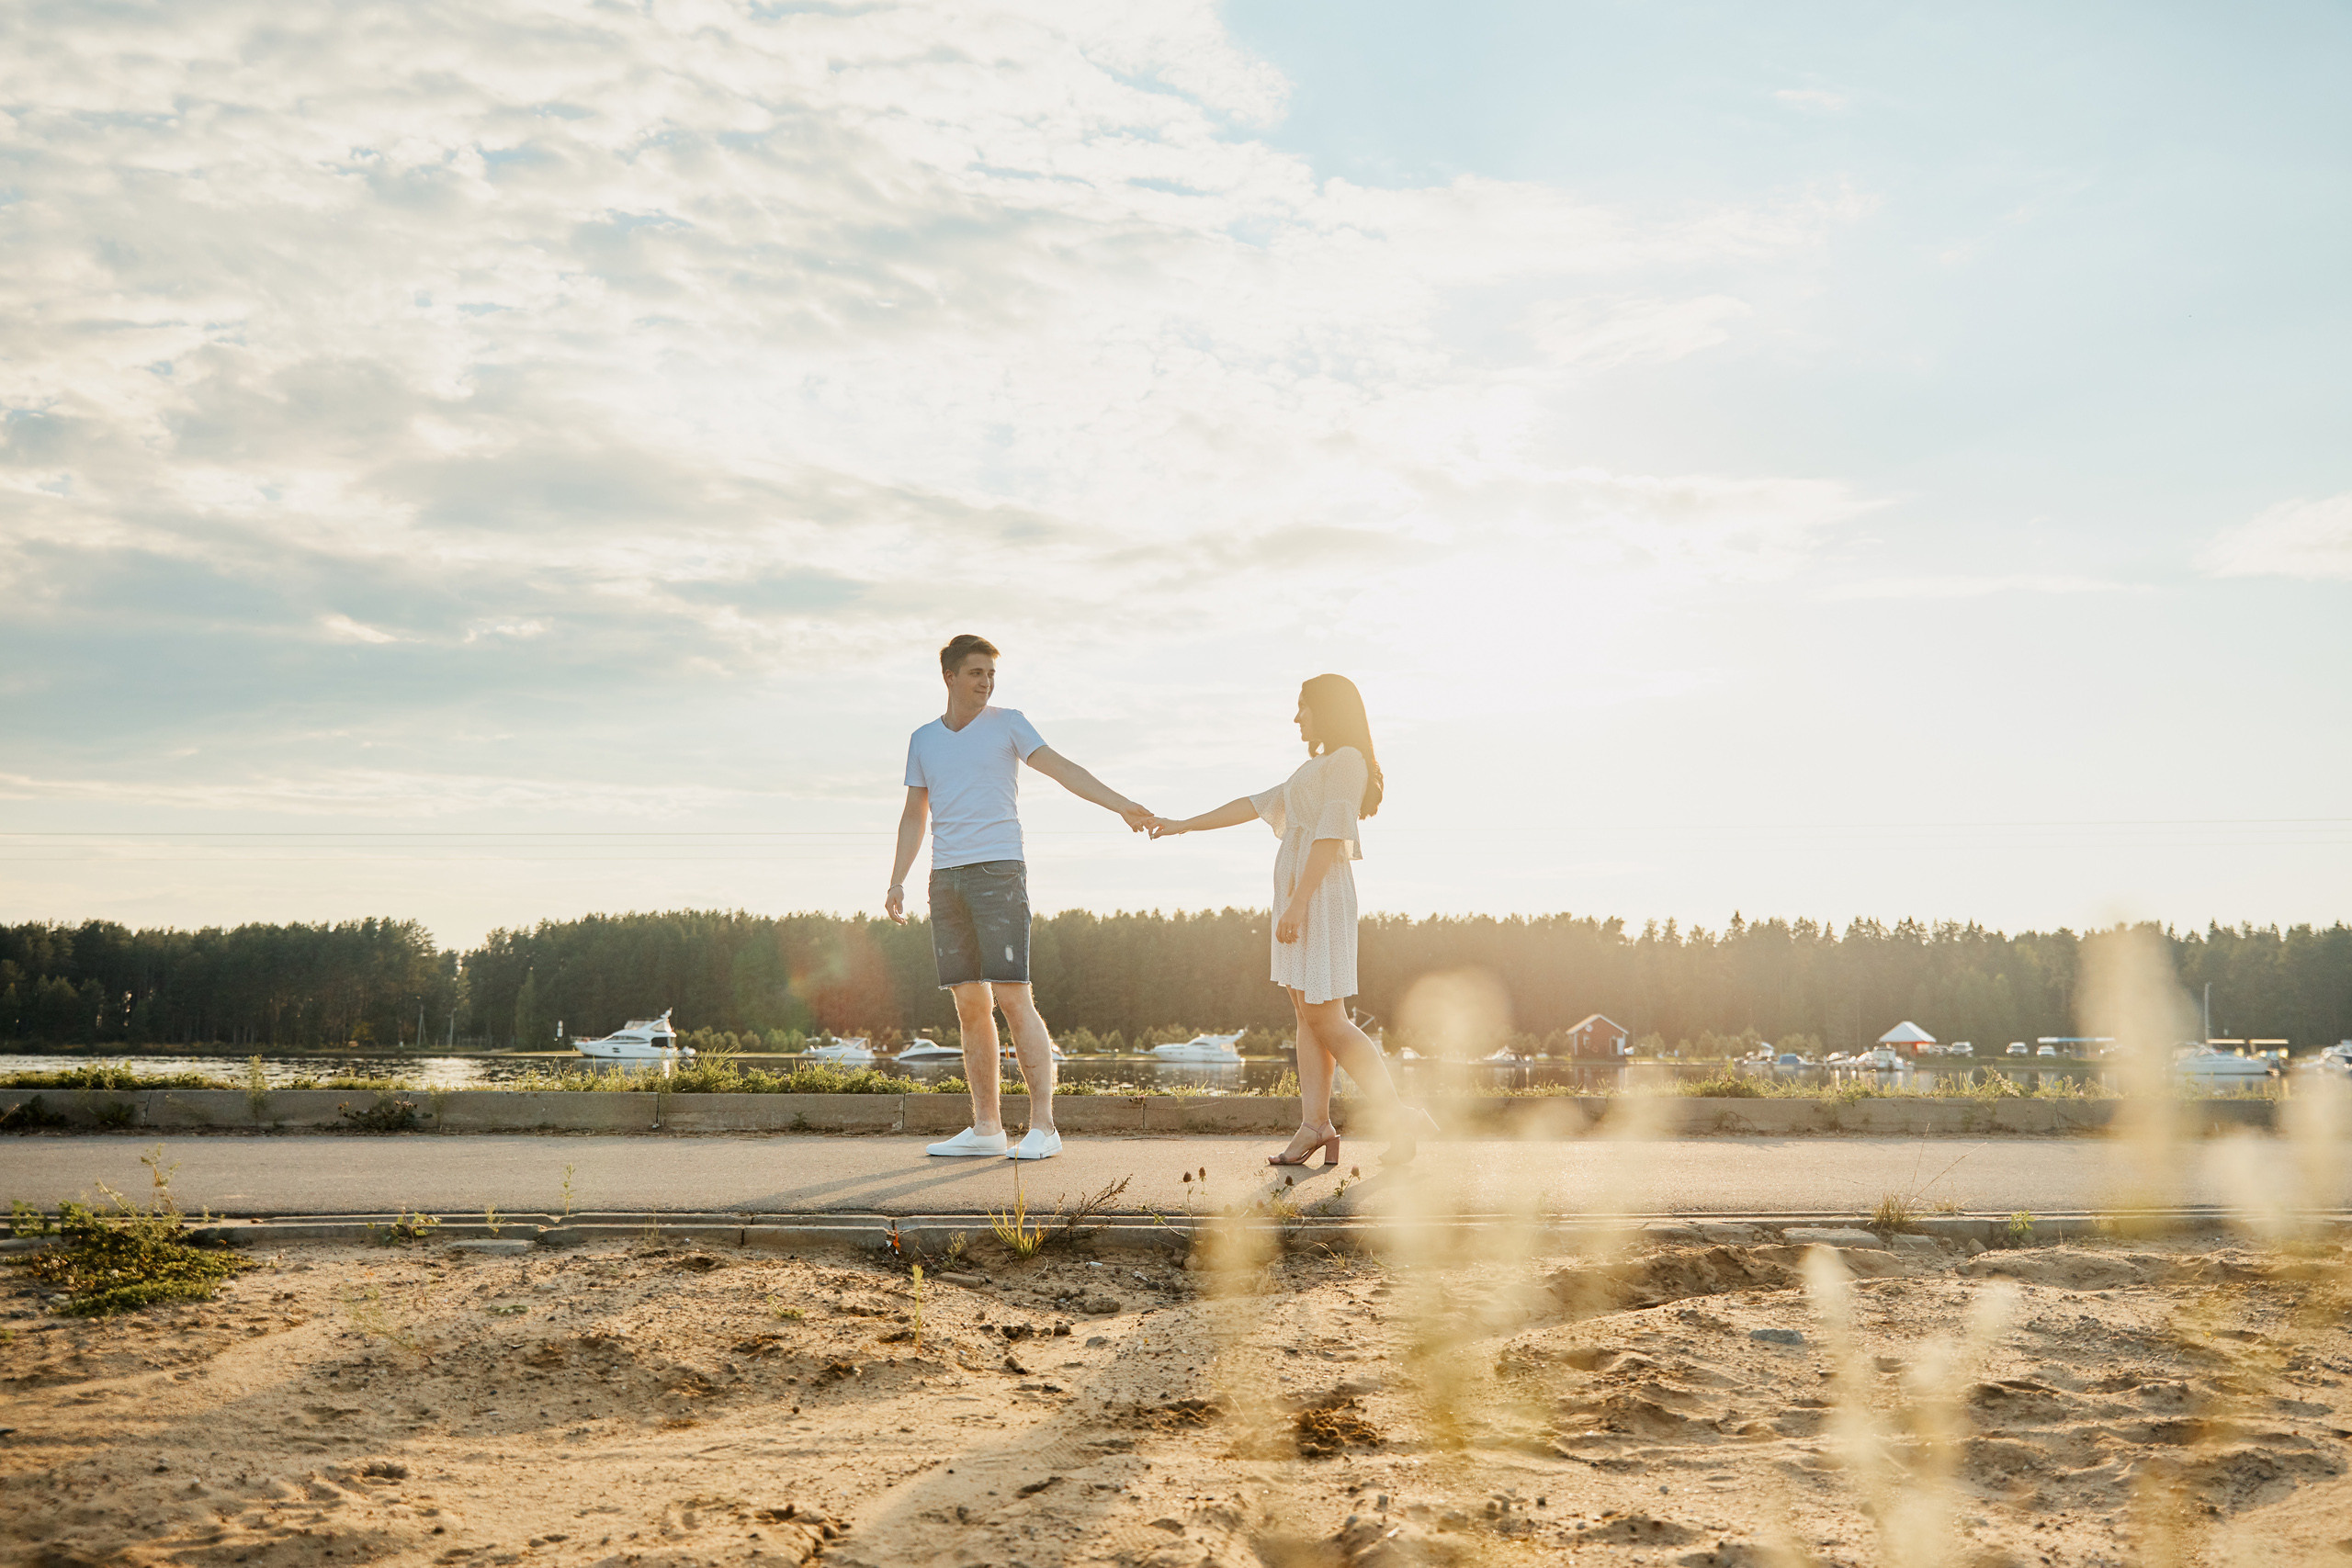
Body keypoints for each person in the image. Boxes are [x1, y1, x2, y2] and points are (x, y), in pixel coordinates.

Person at [1147, 673, 1438, 1165]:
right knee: (1308, 1014)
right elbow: (1254, 804)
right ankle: (1315, 1125)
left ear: (1327, 710)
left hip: (1318, 896)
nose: (1296, 716)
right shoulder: (1317, 766)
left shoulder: (1348, 762)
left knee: (1327, 1015)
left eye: (1302, 707)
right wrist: (1183, 825)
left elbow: (1331, 835)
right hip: (1299, 894)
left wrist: (1299, 902)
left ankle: (1399, 1117)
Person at [887, 633, 1153, 1160]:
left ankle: (1044, 1128)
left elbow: (1063, 769)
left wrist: (1121, 804)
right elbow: (915, 815)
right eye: (976, 673)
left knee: (1012, 995)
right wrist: (898, 879)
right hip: (946, 879)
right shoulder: (923, 739)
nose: (985, 682)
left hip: (998, 873)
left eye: (991, 674)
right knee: (968, 1004)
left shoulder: (1009, 722)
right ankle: (986, 1128)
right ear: (949, 677)